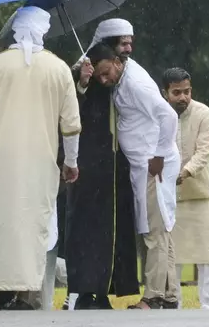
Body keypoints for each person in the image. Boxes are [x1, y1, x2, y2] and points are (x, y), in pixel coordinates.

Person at [0, 6, 81, 310]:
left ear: (15, 30)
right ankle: (28, 295)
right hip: (40, 162)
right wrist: (71, 162)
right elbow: (71, 125)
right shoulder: (59, 68)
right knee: (32, 222)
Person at [87, 42, 180, 310]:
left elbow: (169, 116)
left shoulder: (136, 83)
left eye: (106, 73)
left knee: (154, 232)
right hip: (143, 165)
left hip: (154, 164)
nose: (104, 80)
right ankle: (170, 295)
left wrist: (159, 156)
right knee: (161, 229)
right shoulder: (121, 79)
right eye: (99, 77)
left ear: (117, 62)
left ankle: (151, 297)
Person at [66, 19, 139, 310]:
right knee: (87, 228)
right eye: (123, 42)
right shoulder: (80, 70)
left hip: (116, 165)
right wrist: (83, 82)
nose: (129, 48)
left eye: (131, 42)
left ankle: (106, 289)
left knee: (115, 227)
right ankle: (85, 291)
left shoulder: (125, 72)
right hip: (89, 166)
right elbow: (67, 106)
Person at [161, 67, 209, 310]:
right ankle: (174, 306)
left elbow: (203, 152)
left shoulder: (204, 114)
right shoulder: (160, 115)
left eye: (187, 91)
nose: (183, 97)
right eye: (176, 92)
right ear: (165, 93)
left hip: (205, 195)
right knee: (173, 257)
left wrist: (183, 172)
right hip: (174, 198)